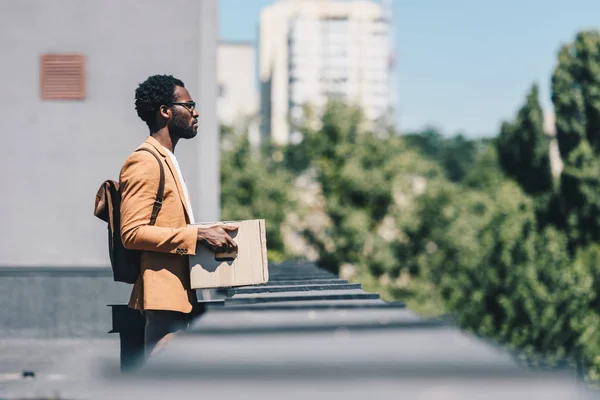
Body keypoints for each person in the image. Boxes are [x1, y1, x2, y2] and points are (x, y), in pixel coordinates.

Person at [119, 74, 238, 358]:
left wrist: (209, 231)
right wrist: (197, 235)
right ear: (165, 111)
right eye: (189, 105)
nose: (195, 112)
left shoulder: (166, 159)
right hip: (163, 297)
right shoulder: (145, 160)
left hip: (180, 295)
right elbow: (132, 232)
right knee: (163, 384)